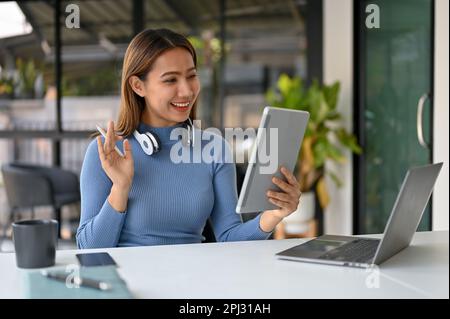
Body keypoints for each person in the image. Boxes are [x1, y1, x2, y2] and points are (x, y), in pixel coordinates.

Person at [76, 28, 302, 248]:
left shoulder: (214, 149)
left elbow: (229, 239)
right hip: (129, 281)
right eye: (170, 80)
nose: (186, 91)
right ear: (138, 85)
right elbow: (88, 248)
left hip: (193, 280)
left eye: (191, 76)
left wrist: (273, 215)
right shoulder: (107, 153)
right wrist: (120, 188)